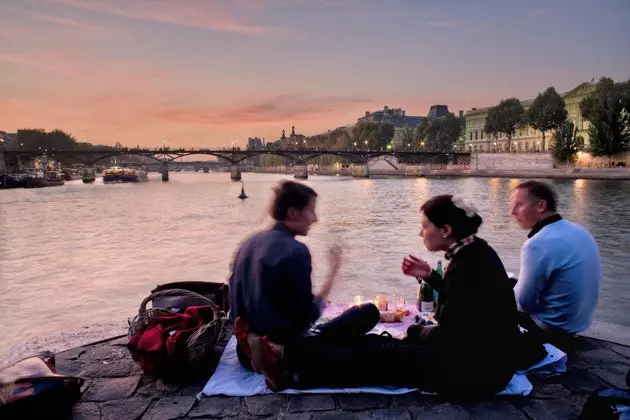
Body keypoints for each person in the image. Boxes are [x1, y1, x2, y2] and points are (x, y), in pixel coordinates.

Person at [249, 195, 526, 398]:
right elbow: (466, 300)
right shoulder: (475, 252)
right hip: (476, 358)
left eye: (425, 226)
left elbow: (452, 333)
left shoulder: (469, 263)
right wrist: (429, 275)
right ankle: (289, 356)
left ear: (445, 231)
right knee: (370, 330)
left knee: (374, 354)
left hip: (471, 372)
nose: (420, 232)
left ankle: (289, 365)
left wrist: (420, 333)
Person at [229, 180, 380, 378]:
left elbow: (233, 310)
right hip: (288, 349)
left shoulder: (249, 243)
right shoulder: (295, 251)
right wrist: (333, 273)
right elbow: (304, 319)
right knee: (368, 313)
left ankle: (258, 344)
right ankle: (274, 353)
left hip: (243, 353)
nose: (315, 219)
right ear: (292, 212)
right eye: (311, 211)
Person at [511, 180, 601, 350]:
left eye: (519, 205)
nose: (513, 212)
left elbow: (524, 304)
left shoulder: (537, 243)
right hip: (579, 322)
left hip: (551, 328)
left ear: (540, 206)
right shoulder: (579, 230)